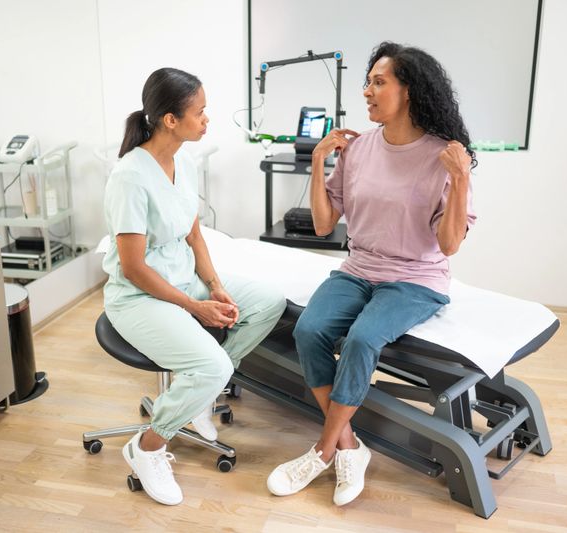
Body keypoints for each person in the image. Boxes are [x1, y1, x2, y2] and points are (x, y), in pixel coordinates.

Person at [267, 42, 477, 506]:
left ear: (410, 90)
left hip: (416, 279)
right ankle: (349, 446)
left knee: (363, 339)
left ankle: (322, 450)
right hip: (358, 268)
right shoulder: (358, 150)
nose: (367, 91)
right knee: (310, 329)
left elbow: (448, 245)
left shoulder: (444, 155)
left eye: (379, 82)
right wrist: (320, 159)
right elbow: (324, 225)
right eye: (368, 81)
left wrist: (461, 180)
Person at [104, 67, 286, 506]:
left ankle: (199, 396)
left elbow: (194, 234)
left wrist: (216, 287)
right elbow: (132, 268)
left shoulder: (182, 161)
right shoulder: (130, 177)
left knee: (268, 302)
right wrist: (194, 306)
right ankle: (148, 446)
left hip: (184, 282)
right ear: (170, 119)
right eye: (200, 112)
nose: (207, 120)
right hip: (138, 297)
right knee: (213, 367)